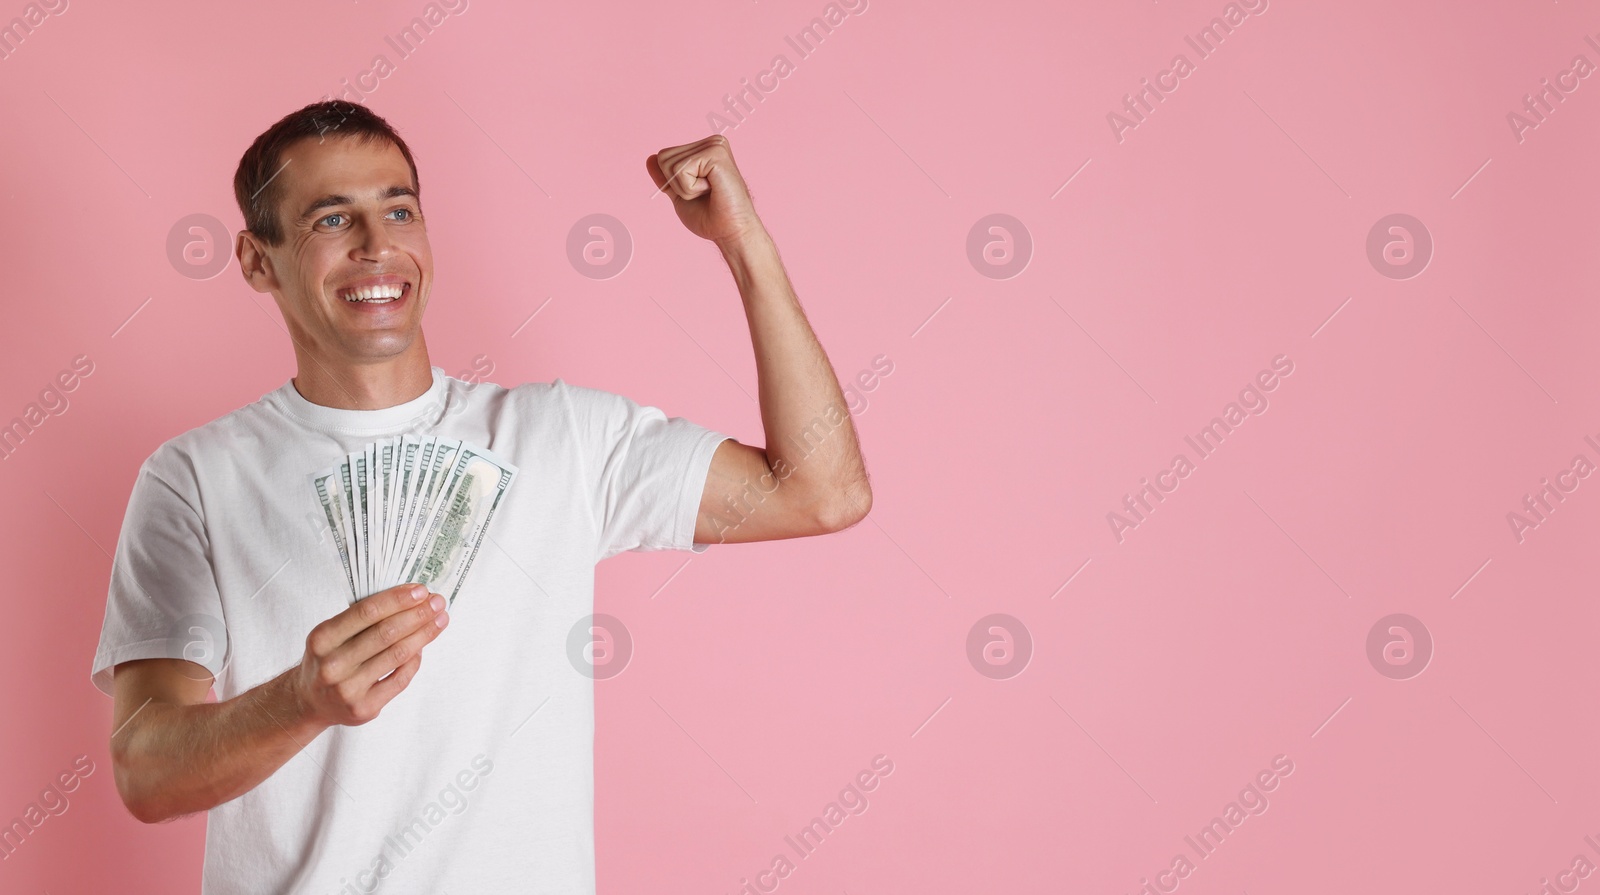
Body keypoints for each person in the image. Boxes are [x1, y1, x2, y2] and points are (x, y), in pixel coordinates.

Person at [90, 99, 871, 893]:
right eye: (332, 221)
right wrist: (301, 700)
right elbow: (146, 772)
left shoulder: (561, 436)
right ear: (259, 262)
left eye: (400, 210)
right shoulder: (193, 477)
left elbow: (820, 491)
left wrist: (743, 242)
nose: (377, 245)